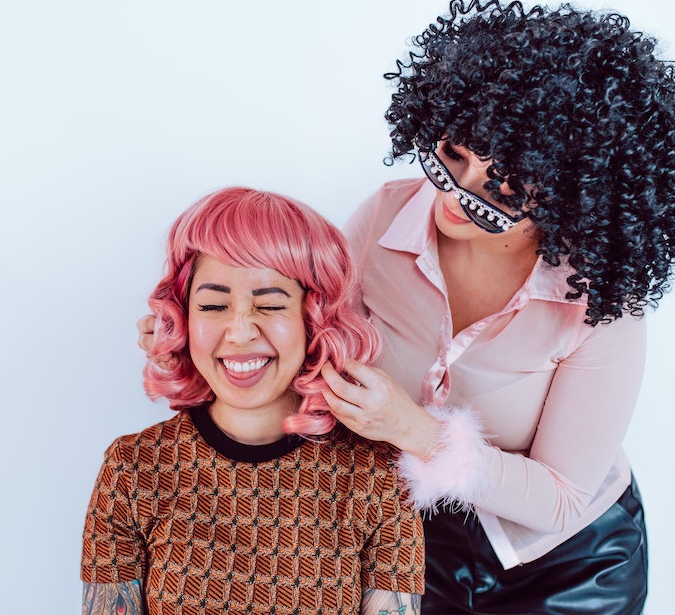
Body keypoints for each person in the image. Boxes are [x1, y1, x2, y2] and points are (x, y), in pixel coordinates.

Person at [140, 0, 675, 614]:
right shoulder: (383, 220)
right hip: (414, 538)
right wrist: (193, 329)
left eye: (498, 189)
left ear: (570, 198)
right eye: (451, 155)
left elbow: (559, 498)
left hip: (569, 563)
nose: (453, 192)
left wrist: (412, 430)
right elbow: (307, 336)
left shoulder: (602, 304)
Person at [83, 187, 425, 615]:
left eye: (269, 304)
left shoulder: (379, 478)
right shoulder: (133, 468)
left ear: (314, 319)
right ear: (183, 319)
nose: (240, 331)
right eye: (212, 305)